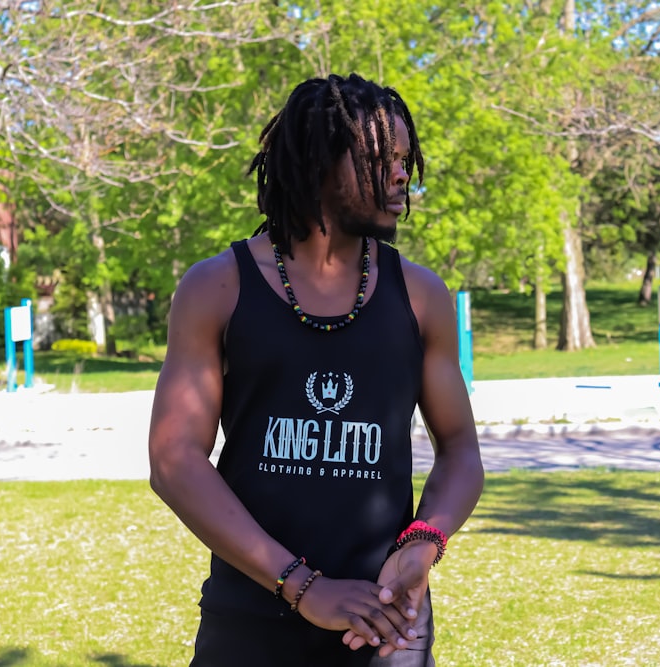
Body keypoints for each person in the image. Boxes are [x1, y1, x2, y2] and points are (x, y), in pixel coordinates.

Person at [147, 73, 484, 667]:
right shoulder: (217, 287)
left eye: (407, 159)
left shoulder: (422, 296)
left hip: (387, 623)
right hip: (250, 619)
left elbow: (459, 448)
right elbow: (174, 461)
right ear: (322, 165)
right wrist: (305, 587)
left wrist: (423, 544)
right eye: (384, 158)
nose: (404, 174)